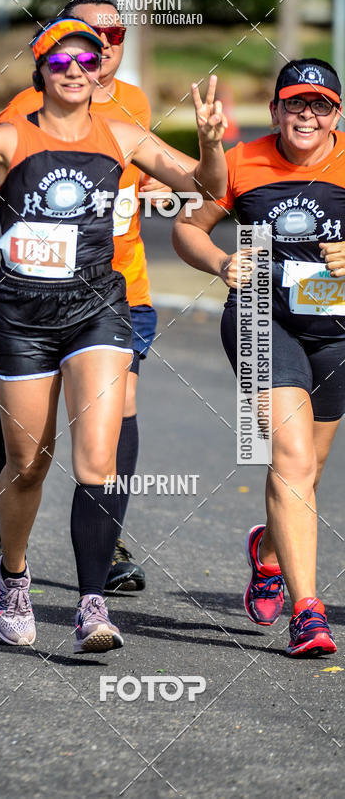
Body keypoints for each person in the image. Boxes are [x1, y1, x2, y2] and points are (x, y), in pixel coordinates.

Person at [0, 18, 227, 652]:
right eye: (61, 60)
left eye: (87, 58)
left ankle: (91, 604)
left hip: (97, 311)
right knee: (28, 465)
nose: (76, 69)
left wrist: (211, 144)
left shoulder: (122, 135)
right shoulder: (9, 136)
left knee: (97, 462)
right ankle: (14, 576)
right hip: (21, 319)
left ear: (100, 68)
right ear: (41, 70)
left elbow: (208, 187)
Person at [0, 0, 165, 592]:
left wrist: (156, 187)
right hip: (35, 293)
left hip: (118, 287)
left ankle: (108, 543)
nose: (101, 48)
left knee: (119, 413)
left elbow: (157, 171)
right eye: (88, 35)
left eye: (114, 35)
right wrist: (6, 189)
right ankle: (12, 524)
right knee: (29, 437)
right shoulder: (29, 105)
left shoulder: (133, 104)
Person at [172, 58, 344, 657]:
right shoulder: (242, 161)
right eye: (295, 103)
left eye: (320, 105)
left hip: (336, 327)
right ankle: (308, 611)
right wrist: (221, 262)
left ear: (336, 115)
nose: (306, 115)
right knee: (291, 456)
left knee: (309, 469)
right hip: (259, 317)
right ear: (275, 111)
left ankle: (269, 552)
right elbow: (188, 228)